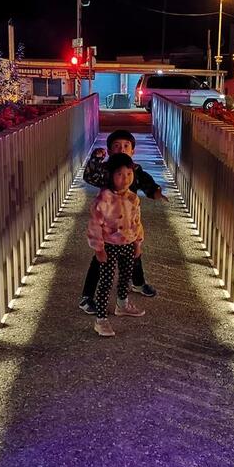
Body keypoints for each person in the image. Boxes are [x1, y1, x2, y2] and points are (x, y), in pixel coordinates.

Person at [79, 129, 167, 315]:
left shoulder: (134, 170)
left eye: (126, 146)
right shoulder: (106, 171)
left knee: (135, 254)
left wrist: (155, 191)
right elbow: (89, 176)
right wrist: (95, 159)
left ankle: (138, 282)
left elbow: (146, 182)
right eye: (117, 146)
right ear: (110, 151)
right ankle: (87, 296)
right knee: (99, 261)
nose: (122, 149)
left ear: (133, 151)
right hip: (108, 231)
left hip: (129, 224)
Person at [87, 153, 146, 336]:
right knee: (106, 281)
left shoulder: (132, 198)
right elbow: (94, 225)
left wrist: (138, 243)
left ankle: (122, 304)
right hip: (109, 245)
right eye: (120, 174)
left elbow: (137, 221)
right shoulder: (104, 200)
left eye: (129, 174)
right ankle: (101, 319)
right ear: (110, 175)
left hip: (128, 243)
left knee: (125, 276)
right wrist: (99, 248)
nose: (125, 178)